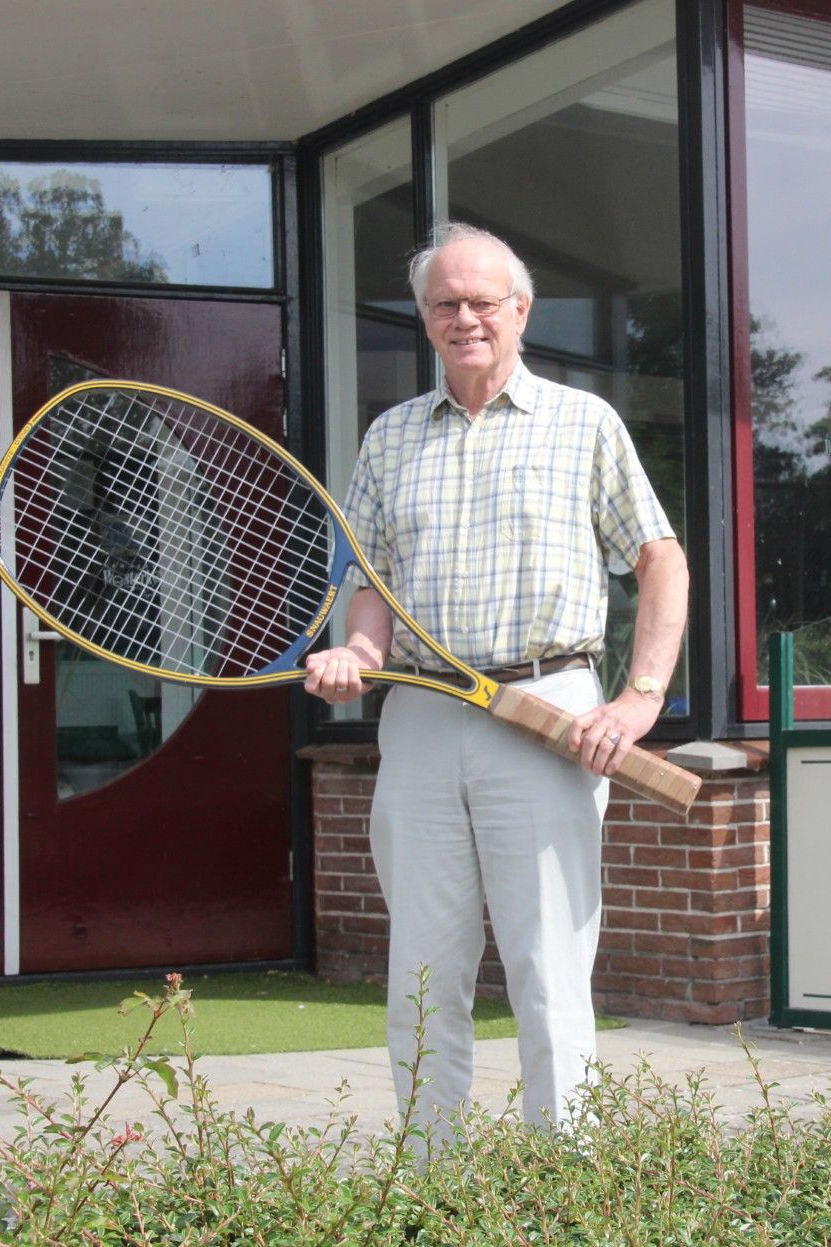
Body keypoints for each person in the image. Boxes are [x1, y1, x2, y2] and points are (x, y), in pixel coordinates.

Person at [304, 222, 688, 1145]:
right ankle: (429, 1180)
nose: (465, 317)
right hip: (423, 717)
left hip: (550, 712)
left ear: (521, 311)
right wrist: (357, 653)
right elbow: (370, 586)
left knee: (549, 966)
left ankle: (565, 1179)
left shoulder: (583, 423)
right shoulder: (390, 437)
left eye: (483, 301)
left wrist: (639, 698)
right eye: (445, 303)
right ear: (425, 319)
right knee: (422, 970)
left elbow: (660, 561)